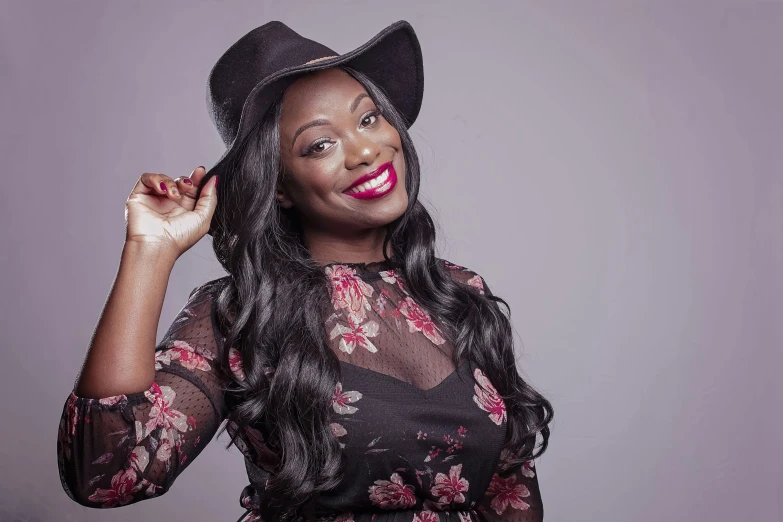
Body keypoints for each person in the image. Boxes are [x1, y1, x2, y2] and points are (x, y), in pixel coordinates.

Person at [56, 20, 554, 522]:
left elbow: (512, 497)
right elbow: (106, 475)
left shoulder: (459, 293)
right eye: (320, 144)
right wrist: (149, 251)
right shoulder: (240, 312)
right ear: (279, 186)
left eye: (369, 119)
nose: (365, 152)